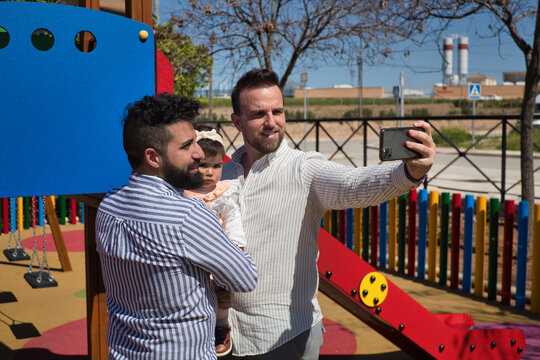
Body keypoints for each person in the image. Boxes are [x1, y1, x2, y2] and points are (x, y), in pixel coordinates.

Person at [221, 69, 436, 359]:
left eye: (278, 111)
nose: (272, 122)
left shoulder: (304, 168)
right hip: (225, 337)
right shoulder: (224, 173)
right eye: (259, 114)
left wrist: (409, 172)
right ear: (237, 121)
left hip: (286, 337)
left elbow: (354, 185)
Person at [95, 94, 258, 360]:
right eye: (187, 146)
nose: (199, 152)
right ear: (153, 157)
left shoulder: (109, 206)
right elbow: (245, 277)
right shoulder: (187, 215)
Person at [184, 125, 246, 357]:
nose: (210, 172)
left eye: (216, 166)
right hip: (192, 253)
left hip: (218, 252)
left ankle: (221, 327)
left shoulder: (223, 192)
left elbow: (232, 216)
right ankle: (199, 330)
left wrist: (236, 244)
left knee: (221, 294)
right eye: (203, 165)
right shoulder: (182, 193)